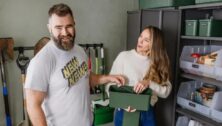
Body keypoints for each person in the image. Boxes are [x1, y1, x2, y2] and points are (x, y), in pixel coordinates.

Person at [25, 3, 125, 126]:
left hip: (89, 122)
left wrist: (109, 78)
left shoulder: (79, 50)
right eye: (58, 27)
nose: (65, 32)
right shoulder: (42, 61)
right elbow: (33, 105)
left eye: (69, 26)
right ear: (49, 28)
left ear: (74, 24)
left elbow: (85, 77)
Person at [107, 26, 172, 126]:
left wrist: (149, 83)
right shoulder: (123, 57)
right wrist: (122, 103)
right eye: (140, 36)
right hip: (124, 112)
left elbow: (165, 92)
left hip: (147, 114)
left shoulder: (158, 63)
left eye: (146, 40)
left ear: (154, 45)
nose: (140, 41)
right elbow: (108, 86)